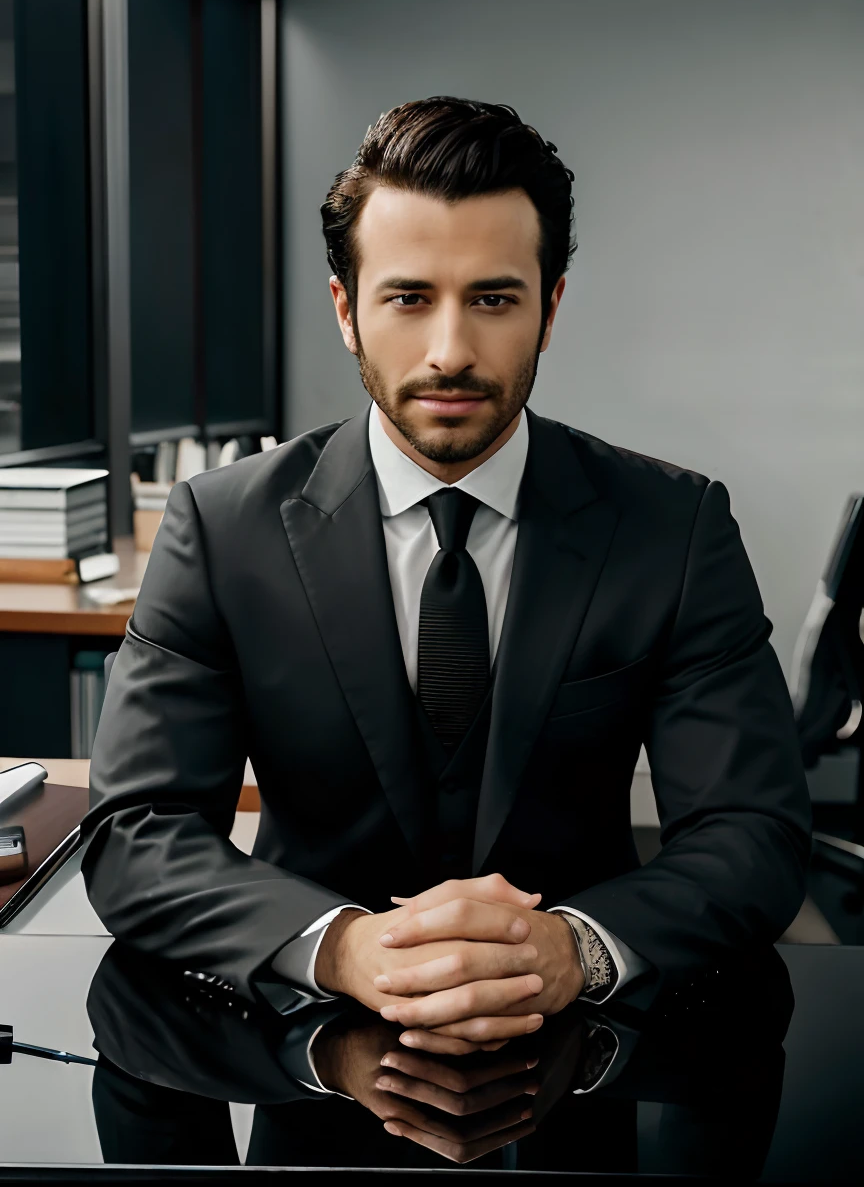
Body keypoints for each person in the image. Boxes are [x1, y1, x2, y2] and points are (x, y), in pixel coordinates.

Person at [82, 96, 811, 1058]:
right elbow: (137, 829)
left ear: (551, 309)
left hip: (585, 1068)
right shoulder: (222, 529)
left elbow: (753, 832)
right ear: (347, 310)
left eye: (495, 299)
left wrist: (574, 950)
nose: (452, 352)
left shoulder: (673, 529)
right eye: (409, 297)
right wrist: (343, 949)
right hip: (305, 1061)